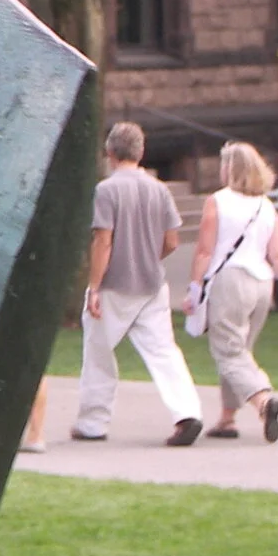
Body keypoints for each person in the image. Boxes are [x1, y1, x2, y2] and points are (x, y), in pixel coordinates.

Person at [73, 121, 205, 446]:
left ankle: (93, 422)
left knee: (98, 350)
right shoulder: (159, 189)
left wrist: (94, 287)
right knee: (163, 350)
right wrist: (149, 256)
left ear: (110, 152)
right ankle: (187, 413)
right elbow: (172, 241)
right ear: (141, 151)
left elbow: (103, 240)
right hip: (152, 284)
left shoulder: (106, 190)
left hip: (115, 285)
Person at [188, 140, 278, 440]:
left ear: (231, 168)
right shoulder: (266, 205)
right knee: (239, 350)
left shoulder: (218, 201)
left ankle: (263, 400)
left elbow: (204, 251)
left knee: (228, 352)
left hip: (230, 281)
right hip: (262, 284)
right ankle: (227, 419)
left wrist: (195, 287)